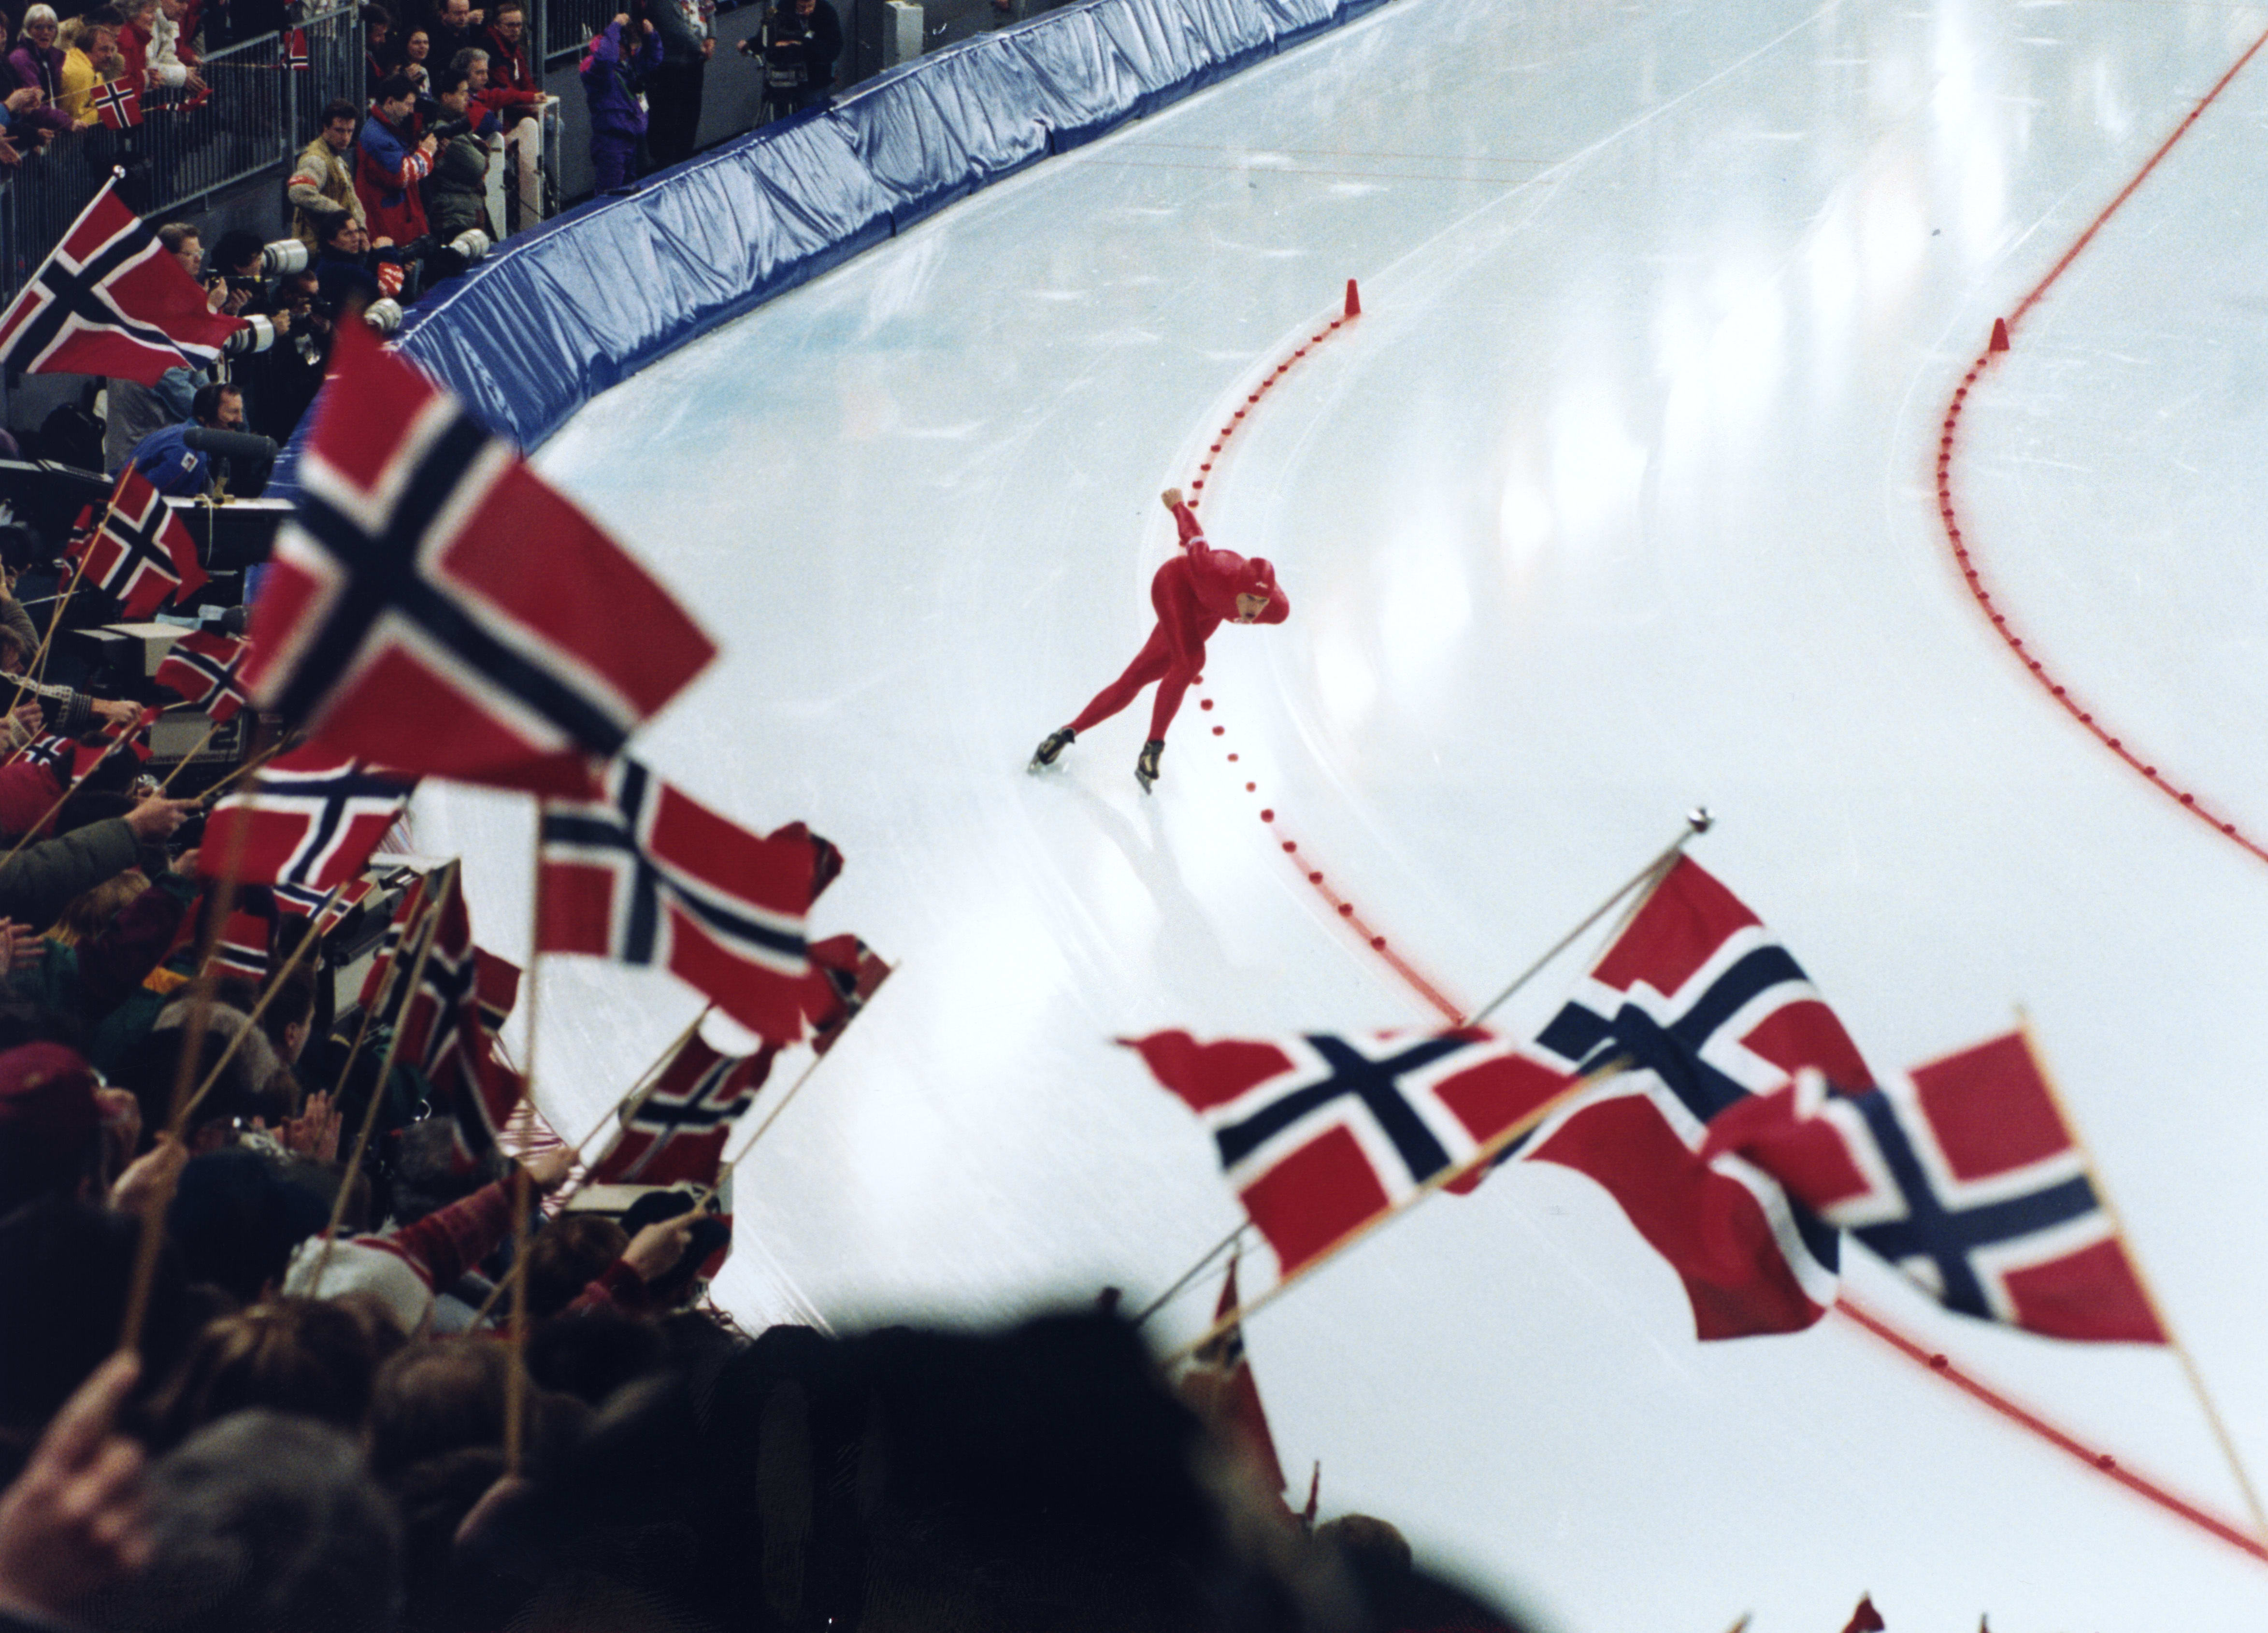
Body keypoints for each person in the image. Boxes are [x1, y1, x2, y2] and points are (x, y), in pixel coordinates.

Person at [1031, 487, 1289, 791]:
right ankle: (1153, 748)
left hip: (1207, 612)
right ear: (1237, 588)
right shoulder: (1213, 568)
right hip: (1174, 587)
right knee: (1191, 660)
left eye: (1260, 602)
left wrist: (1248, 605)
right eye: (1248, 599)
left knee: (1137, 677)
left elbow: (1252, 606)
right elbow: (1195, 538)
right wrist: (1178, 505)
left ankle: (1064, 734)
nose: (1253, 610)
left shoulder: (1276, 610)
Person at [354, 72, 437, 247]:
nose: (412, 111)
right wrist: (426, 153)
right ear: (390, 102)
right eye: (408, 105)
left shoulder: (387, 129)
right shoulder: (377, 137)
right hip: (389, 229)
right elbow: (400, 175)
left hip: (396, 223)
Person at [579, 12, 656, 193]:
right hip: (611, 143)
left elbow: (654, 59)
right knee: (609, 196)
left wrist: (651, 36)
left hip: (632, 139)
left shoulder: (627, 63)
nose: (631, 53)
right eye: (628, 49)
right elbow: (606, 59)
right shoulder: (595, 65)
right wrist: (615, 26)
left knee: (629, 194)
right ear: (618, 44)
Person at [289, 98, 367, 249]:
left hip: (335, 246)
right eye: (339, 131)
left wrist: (361, 230)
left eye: (350, 131)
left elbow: (352, 199)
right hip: (318, 249)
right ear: (326, 128)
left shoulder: (335, 157)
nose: (346, 138)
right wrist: (341, 214)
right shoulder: (316, 159)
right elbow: (298, 193)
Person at [644, 0, 708, 165]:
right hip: (669, 67)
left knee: (690, 117)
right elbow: (674, 29)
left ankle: (685, 161)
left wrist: (712, 37)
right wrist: (700, 48)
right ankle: (666, 166)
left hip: (694, 64)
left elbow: (709, 8)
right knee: (668, 120)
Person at [751, 0, 836, 117]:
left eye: (810, 7)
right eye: (802, 7)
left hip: (815, 82)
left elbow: (834, 48)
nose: (806, 11)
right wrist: (750, 45)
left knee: (814, 119)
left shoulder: (826, 11)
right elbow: (767, 37)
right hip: (786, 84)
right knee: (782, 123)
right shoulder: (784, 7)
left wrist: (801, 44)